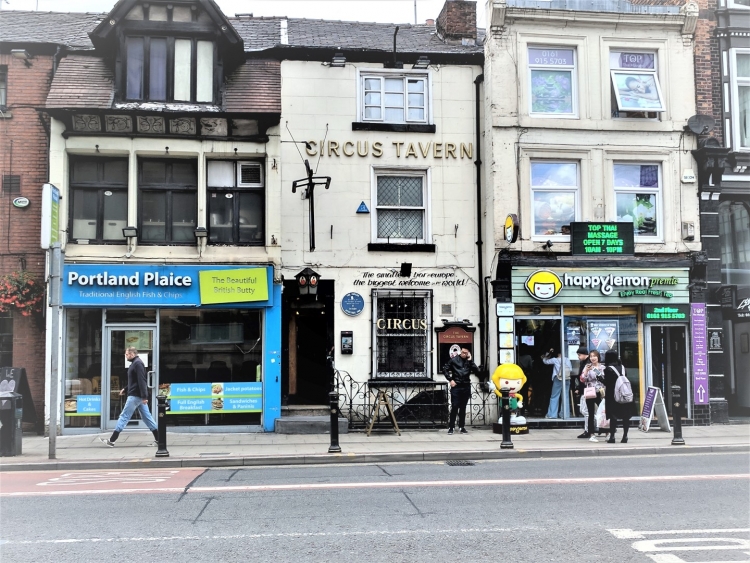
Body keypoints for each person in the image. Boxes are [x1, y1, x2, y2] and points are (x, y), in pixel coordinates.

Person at [100, 347, 159, 447]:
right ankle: (159, 440)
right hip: (137, 395)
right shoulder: (135, 363)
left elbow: (142, 380)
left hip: (135, 396)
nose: (125, 356)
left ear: (132, 354)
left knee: (124, 416)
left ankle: (112, 440)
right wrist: (126, 388)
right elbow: (135, 381)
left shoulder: (138, 364)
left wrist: (144, 396)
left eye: (126, 354)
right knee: (147, 417)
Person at [442, 347, 480, 435]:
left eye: (466, 353)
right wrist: (450, 380)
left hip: (466, 386)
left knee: (463, 407)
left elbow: (477, 371)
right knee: (455, 406)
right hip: (457, 386)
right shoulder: (454, 360)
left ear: (468, 353)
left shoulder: (469, 362)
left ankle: (461, 426)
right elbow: (445, 369)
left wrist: (470, 360)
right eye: (463, 352)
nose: (464, 354)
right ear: (460, 352)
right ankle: (451, 427)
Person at [602, 350, 634, 444]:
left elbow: (607, 383)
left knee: (613, 417)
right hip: (624, 395)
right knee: (625, 417)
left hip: (613, 396)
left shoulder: (608, 369)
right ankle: (625, 436)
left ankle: (612, 437)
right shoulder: (623, 367)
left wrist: (600, 379)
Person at [578, 349, 606, 441]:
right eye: (591, 356)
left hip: (600, 392)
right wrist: (586, 370)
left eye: (595, 356)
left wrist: (596, 370)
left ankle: (607, 432)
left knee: (604, 413)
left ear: (598, 357)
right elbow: (582, 379)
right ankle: (591, 434)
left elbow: (603, 378)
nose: (593, 358)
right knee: (590, 413)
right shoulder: (587, 366)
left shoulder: (602, 367)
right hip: (590, 391)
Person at [543, 348, 573, 419]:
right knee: (565, 396)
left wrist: (547, 355)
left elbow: (545, 361)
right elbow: (571, 369)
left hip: (558, 378)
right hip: (567, 378)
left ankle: (552, 414)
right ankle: (565, 414)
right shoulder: (567, 359)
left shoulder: (555, 359)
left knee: (554, 396)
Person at [572, 346, 589, 423]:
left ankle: (589, 428)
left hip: (588, 389)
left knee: (586, 411)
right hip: (584, 389)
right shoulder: (583, 363)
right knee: (584, 410)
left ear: (585, 354)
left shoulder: (588, 364)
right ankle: (589, 428)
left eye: (579, 355)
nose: (578, 357)